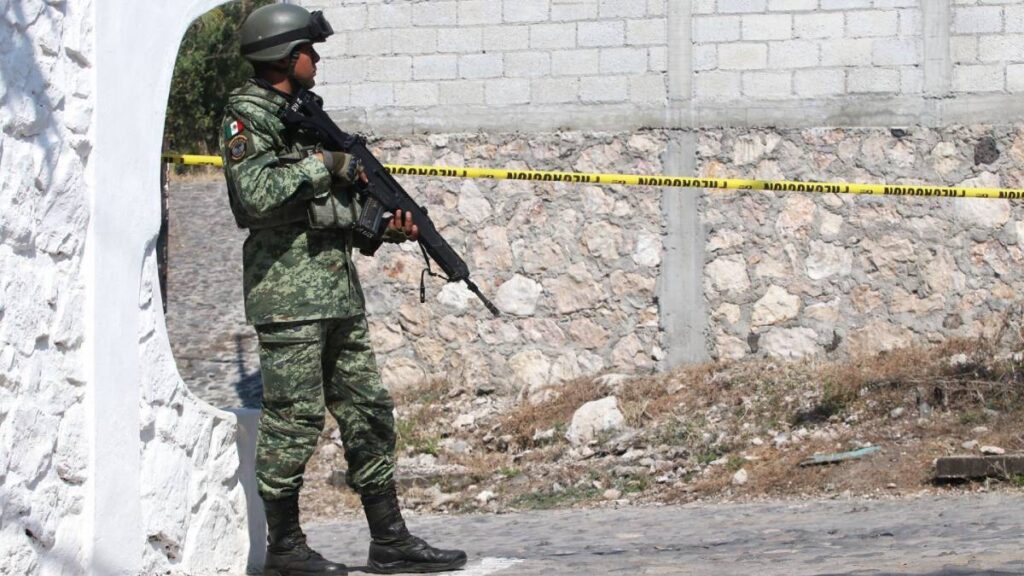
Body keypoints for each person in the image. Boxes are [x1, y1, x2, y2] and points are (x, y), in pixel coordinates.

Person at [219, 5, 467, 575]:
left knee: (368, 411)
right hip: (288, 298)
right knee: (294, 418)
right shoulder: (248, 116)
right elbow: (253, 197)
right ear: (285, 56)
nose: (317, 58)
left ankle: (390, 539)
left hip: (335, 290)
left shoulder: (301, 113)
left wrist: (382, 226)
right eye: (310, 49)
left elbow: (330, 211)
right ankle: (285, 549)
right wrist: (325, 164)